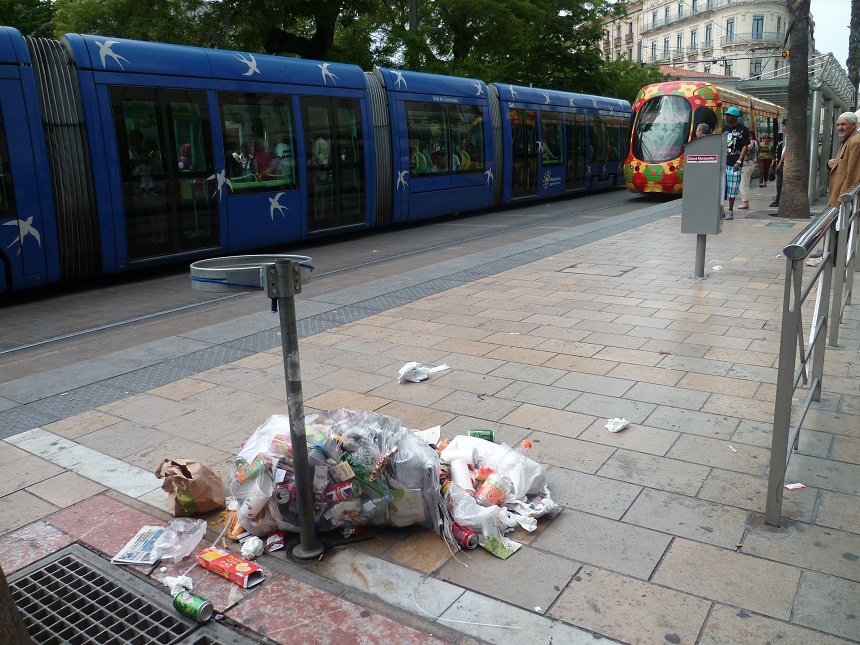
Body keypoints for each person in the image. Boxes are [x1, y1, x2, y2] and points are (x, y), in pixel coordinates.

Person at [826, 111, 860, 207]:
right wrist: (831, 163)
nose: (840, 128)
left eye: (843, 124)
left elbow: (853, 176)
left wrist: (842, 200)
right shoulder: (849, 140)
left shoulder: (855, 142)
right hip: (838, 197)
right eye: (838, 125)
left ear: (854, 125)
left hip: (843, 201)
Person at [722, 106, 750, 220]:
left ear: (735, 117)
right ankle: (721, 209)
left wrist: (739, 160)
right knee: (722, 187)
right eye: (726, 115)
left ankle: (730, 210)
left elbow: (745, 146)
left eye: (728, 115)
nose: (726, 117)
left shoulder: (743, 129)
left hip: (735, 162)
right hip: (724, 161)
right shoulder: (725, 128)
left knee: (732, 188)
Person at [738, 130, 758, 210]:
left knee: (743, 184)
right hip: (750, 164)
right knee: (745, 183)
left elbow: (746, 149)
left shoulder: (752, 143)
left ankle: (745, 202)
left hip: (747, 164)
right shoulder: (755, 142)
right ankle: (745, 202)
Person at [770, 119, 788, 208]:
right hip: (782, 162)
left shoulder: (789, 137)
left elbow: (786, 151)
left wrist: (780, 163)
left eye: (783, 126)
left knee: (780, 182)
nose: (782, 128)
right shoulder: (786, 137)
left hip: (784, 163)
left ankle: (779, 199)